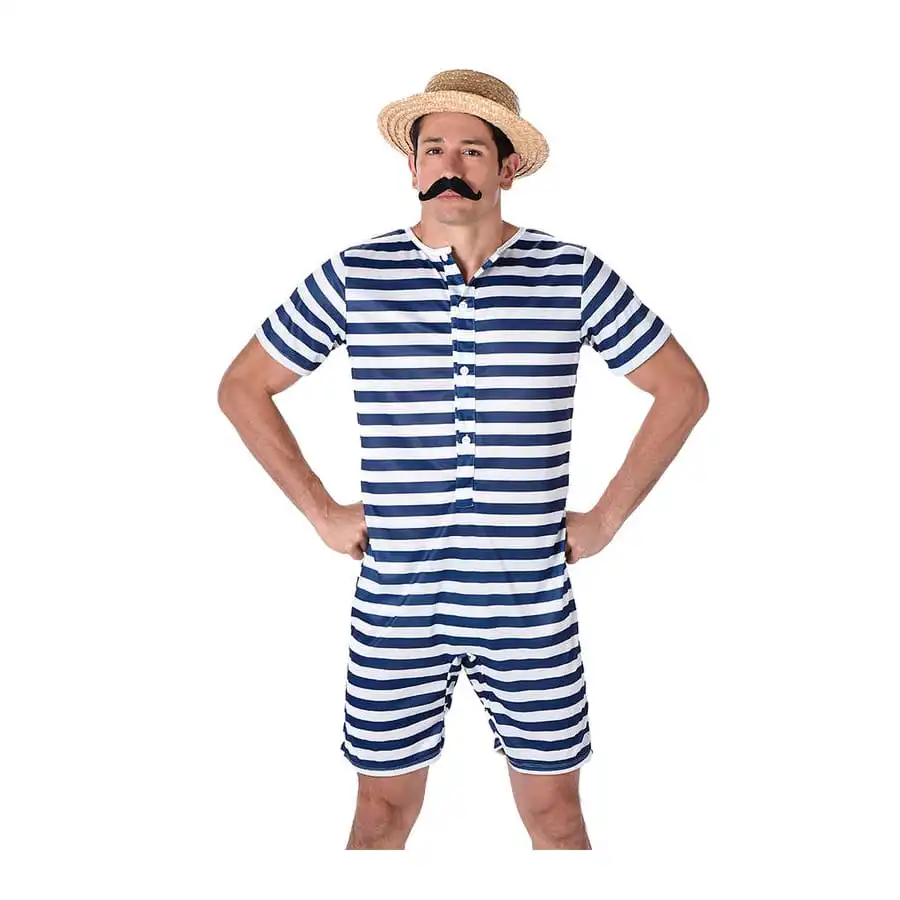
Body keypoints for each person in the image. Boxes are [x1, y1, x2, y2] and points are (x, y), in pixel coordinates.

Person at [217, 68, 709, 850]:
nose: (451, 164)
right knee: (381, 817)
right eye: (434, 148)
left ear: (506, 167)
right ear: (412, 168)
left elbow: (682, 388)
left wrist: (606, 519)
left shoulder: (572, 274)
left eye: (472, 150)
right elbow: (244, 386)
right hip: (399, 598)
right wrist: (321, 510)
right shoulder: (355, 276)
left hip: (530, 599)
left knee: (557, 818)